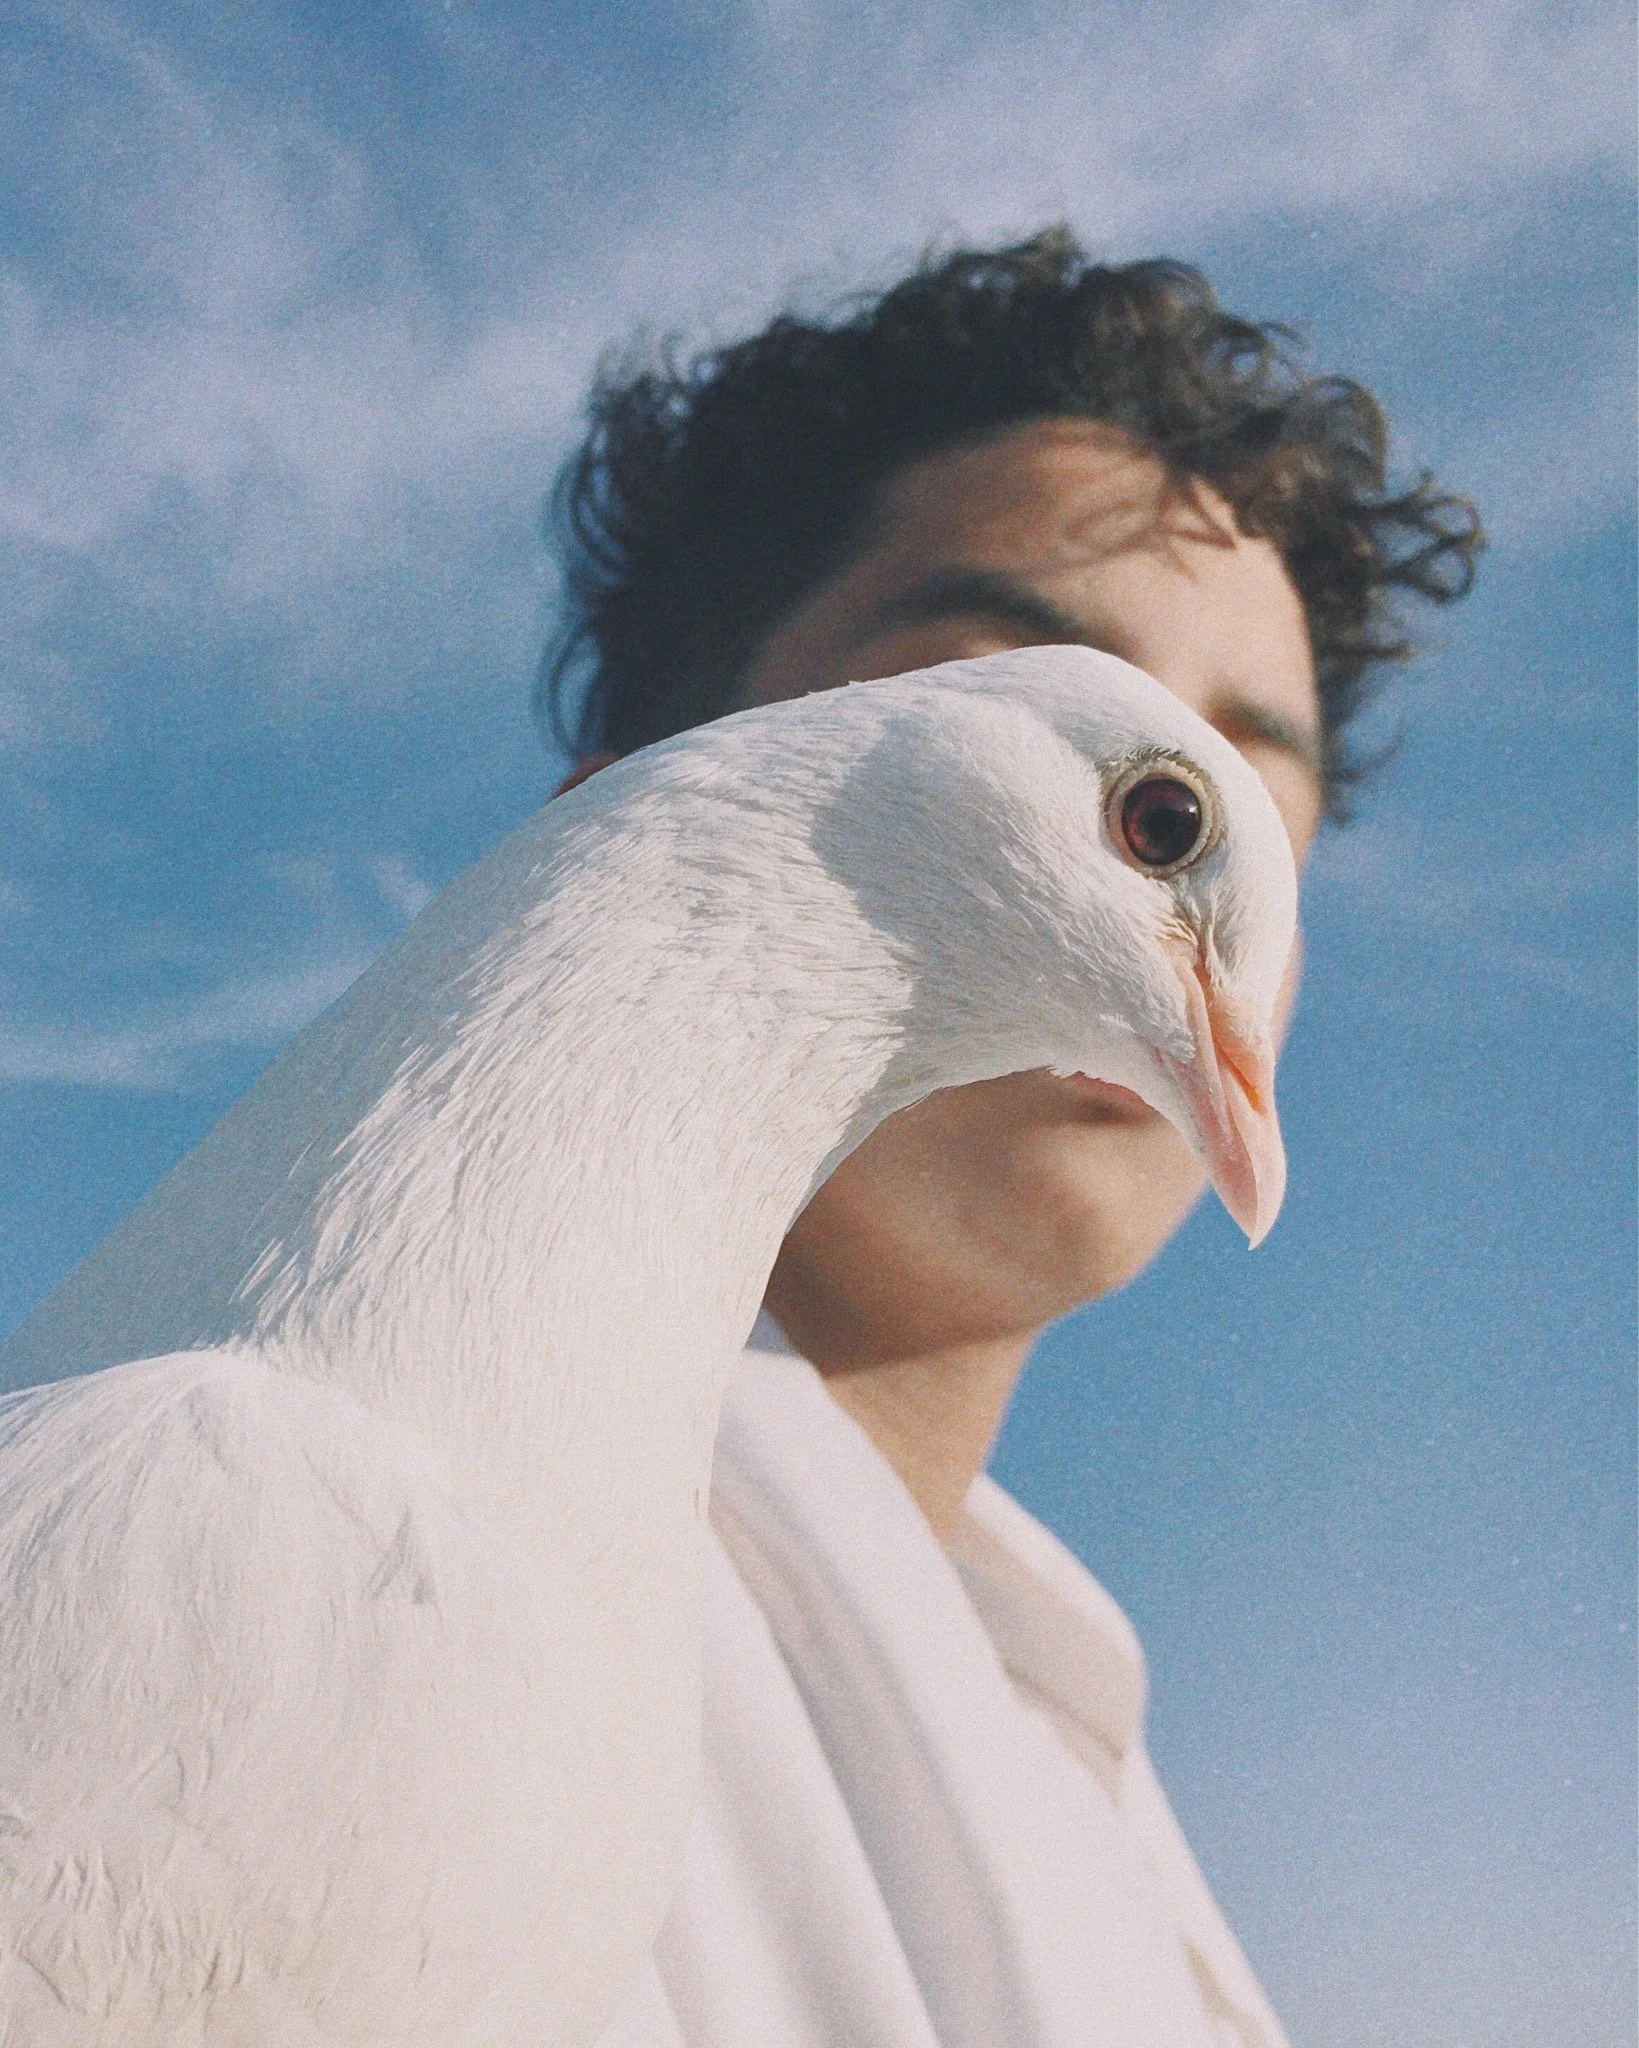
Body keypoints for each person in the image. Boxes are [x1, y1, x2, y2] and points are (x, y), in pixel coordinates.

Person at [547, 230, 1481, 2047]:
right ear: (619, 817)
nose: (1167, 914)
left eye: (1242, 821)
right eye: (1007, 705)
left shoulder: (1083, 1737)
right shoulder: (259, 1563)